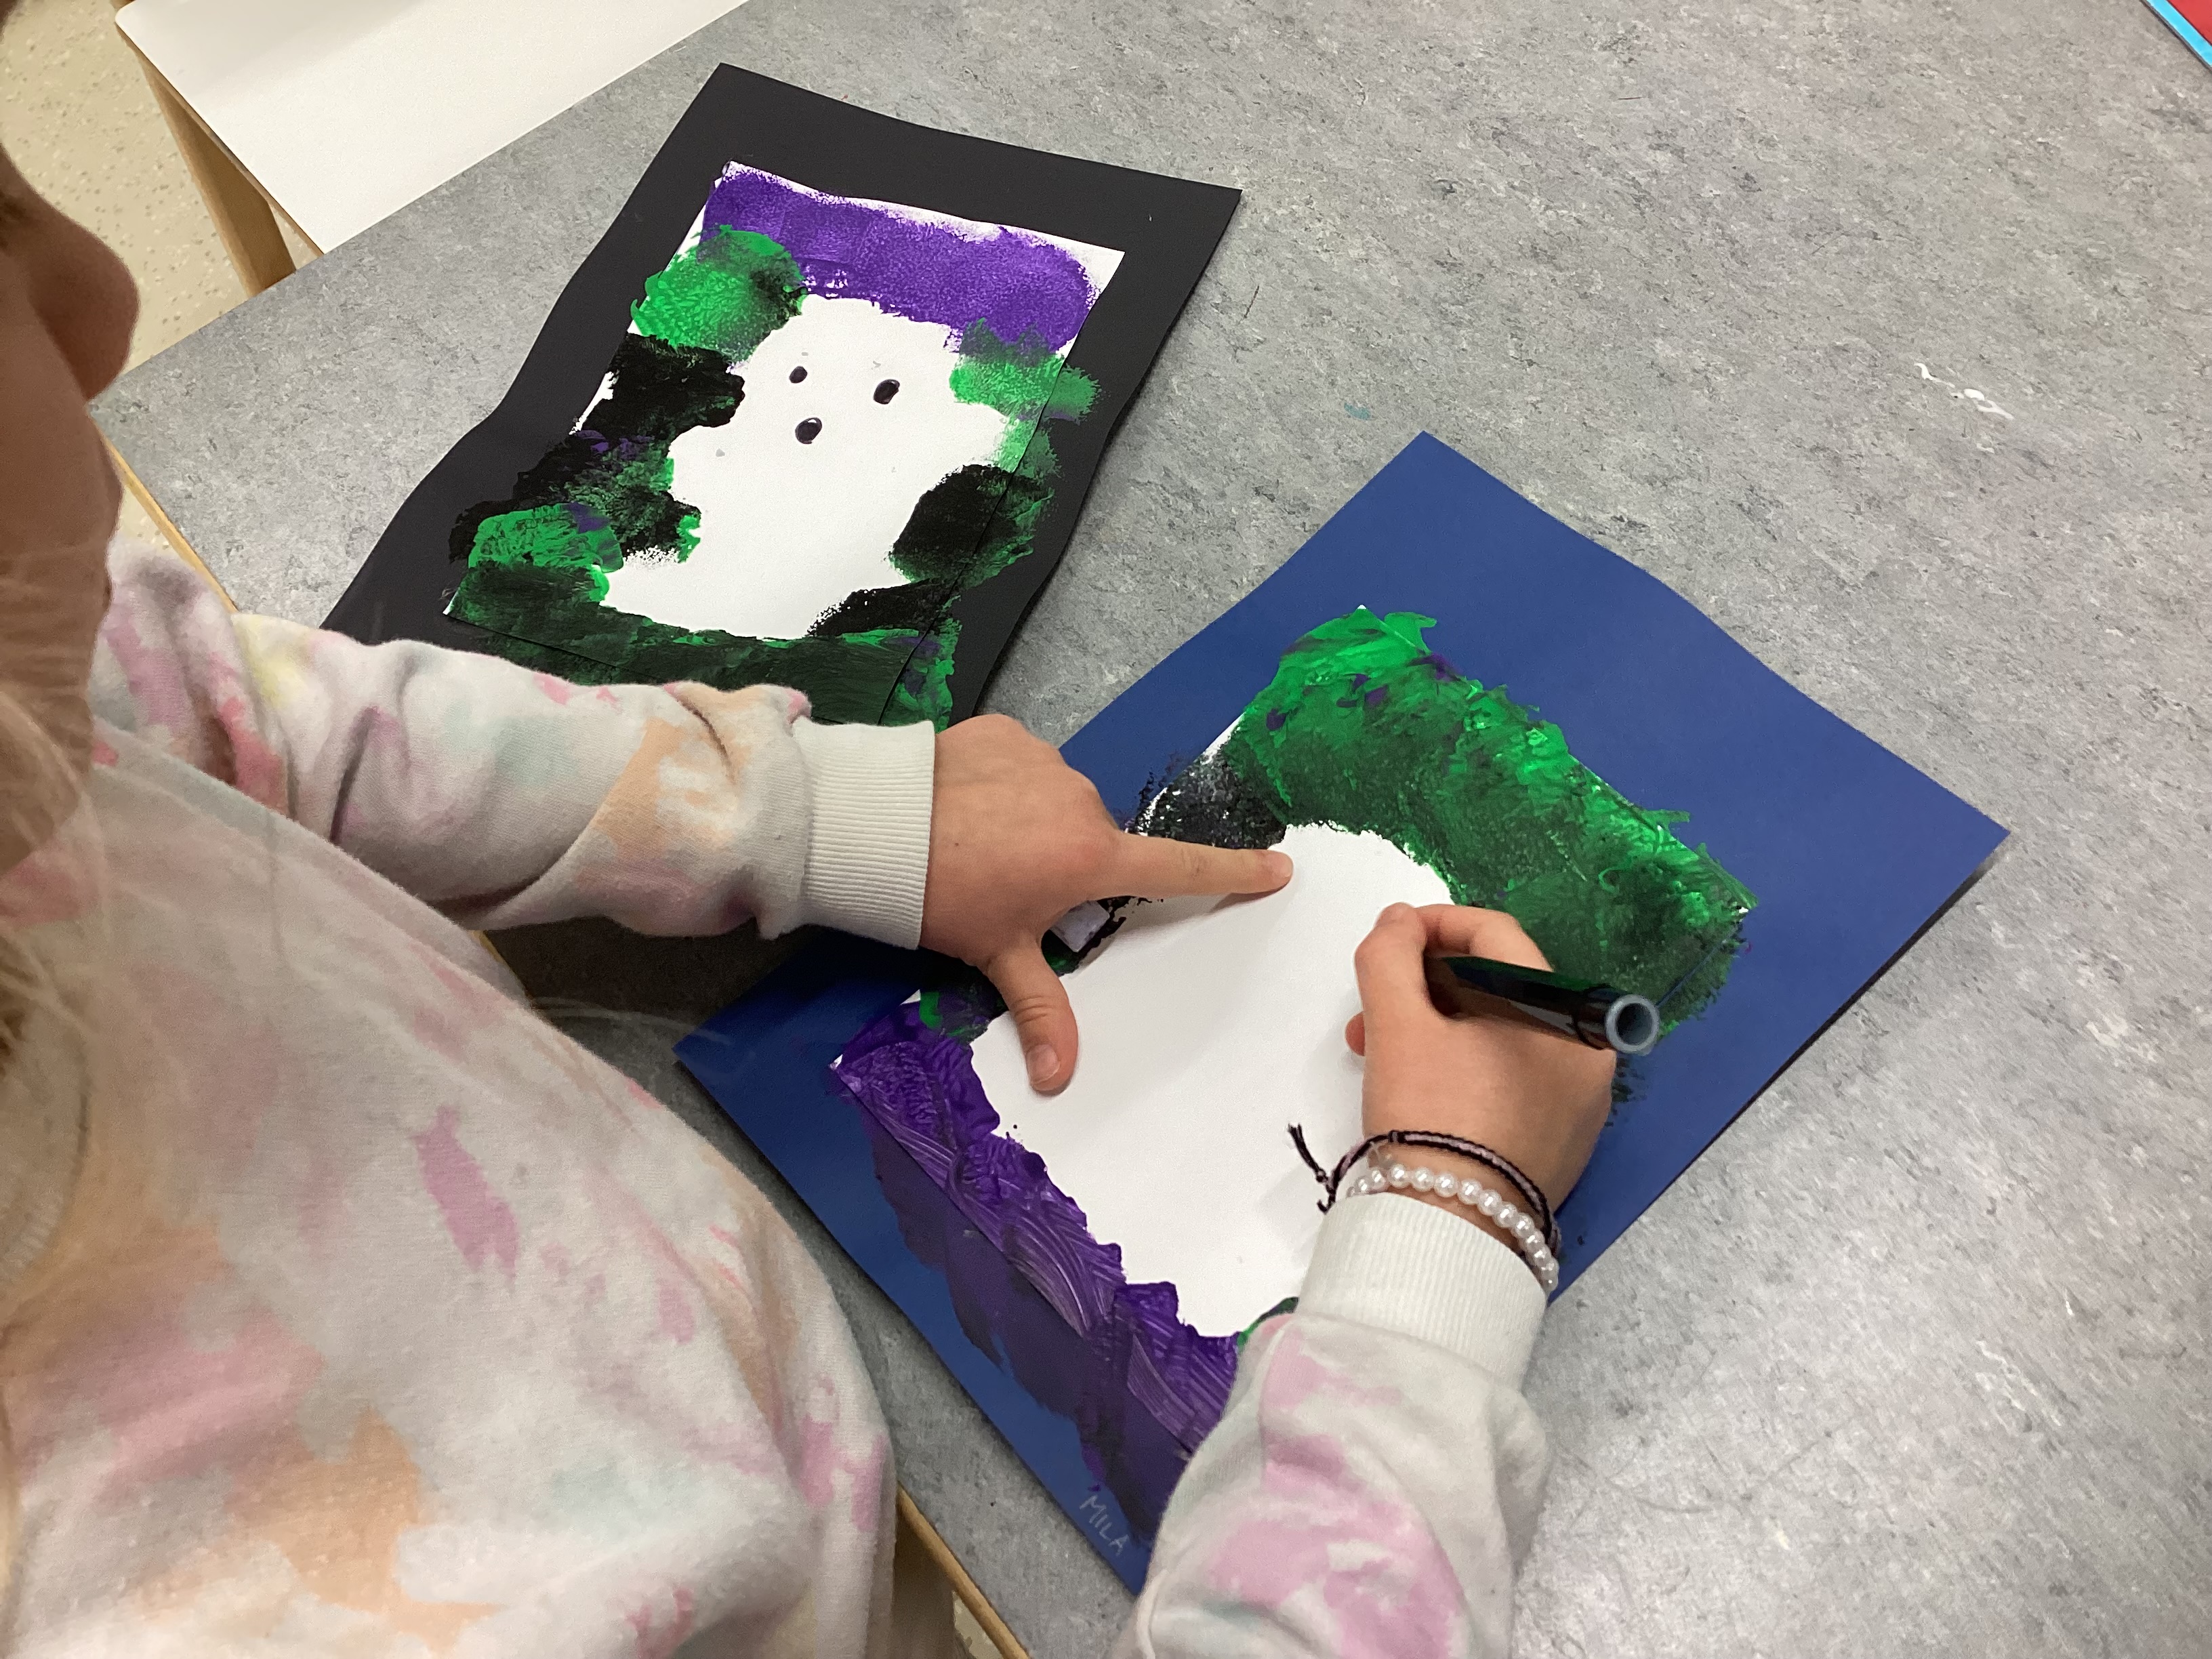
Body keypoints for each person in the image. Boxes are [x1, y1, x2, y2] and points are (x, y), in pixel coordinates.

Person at [0, 77, 1614, 1659]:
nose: (105, 297)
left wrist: (819, 819)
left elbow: (237, 717)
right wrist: (1442, 1244)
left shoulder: (49, 694)